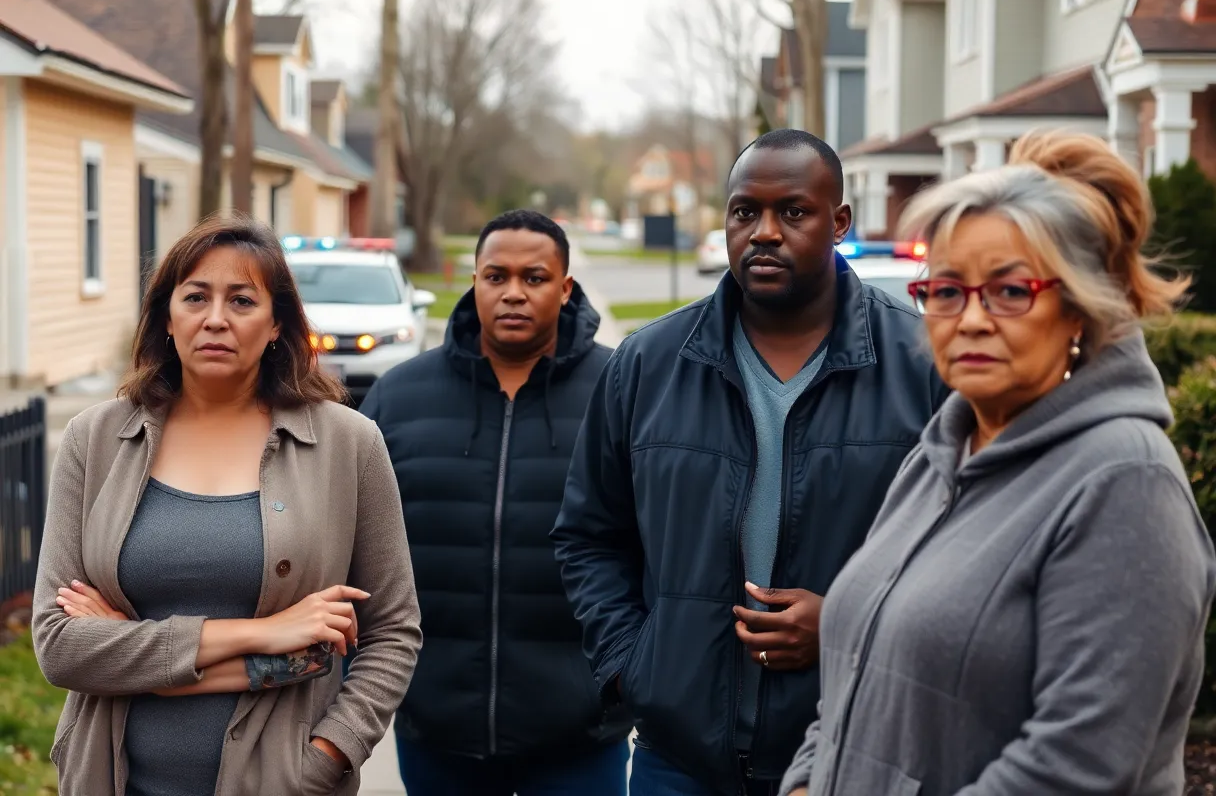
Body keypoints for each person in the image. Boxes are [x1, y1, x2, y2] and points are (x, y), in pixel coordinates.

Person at [779, 131, 1216, 796]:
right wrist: (807, 781)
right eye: (948, 290)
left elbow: (1079, 766)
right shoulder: (941, 452)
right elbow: (855, 669)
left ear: (1076, 307)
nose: (971, 319)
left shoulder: (1126, 481)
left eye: (1010, 291)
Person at [551, 129, 949, 796]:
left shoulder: (922, 365)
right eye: (745, 212)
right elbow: (588, 535)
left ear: (839, 222)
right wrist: (636, 667)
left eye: (793, 212)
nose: (764, 232)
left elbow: (964, 554)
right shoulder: (648, 365)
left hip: (854, 751)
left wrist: (848, 624)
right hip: (677, 761)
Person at [31, 215, 422, 796]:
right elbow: (60, 646)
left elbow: (392, 630)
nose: (216, 319)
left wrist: (328, 754)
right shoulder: (96, 440)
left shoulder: (349, 445)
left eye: (242, 300)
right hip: (108, 778)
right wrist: (266, 634)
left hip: (282, 783)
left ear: (275, 325)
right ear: (167, 318)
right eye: (196, 297)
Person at [360, 209, 633, 795]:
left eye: (534, 278)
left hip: (582, 734)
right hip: (436, 727)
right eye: (496, 276)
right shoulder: (399, 398)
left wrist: (628, 676)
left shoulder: (623, 392)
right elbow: (352, 546)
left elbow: (662, 543)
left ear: (565, 289)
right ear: (474, 280)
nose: (513, 293)